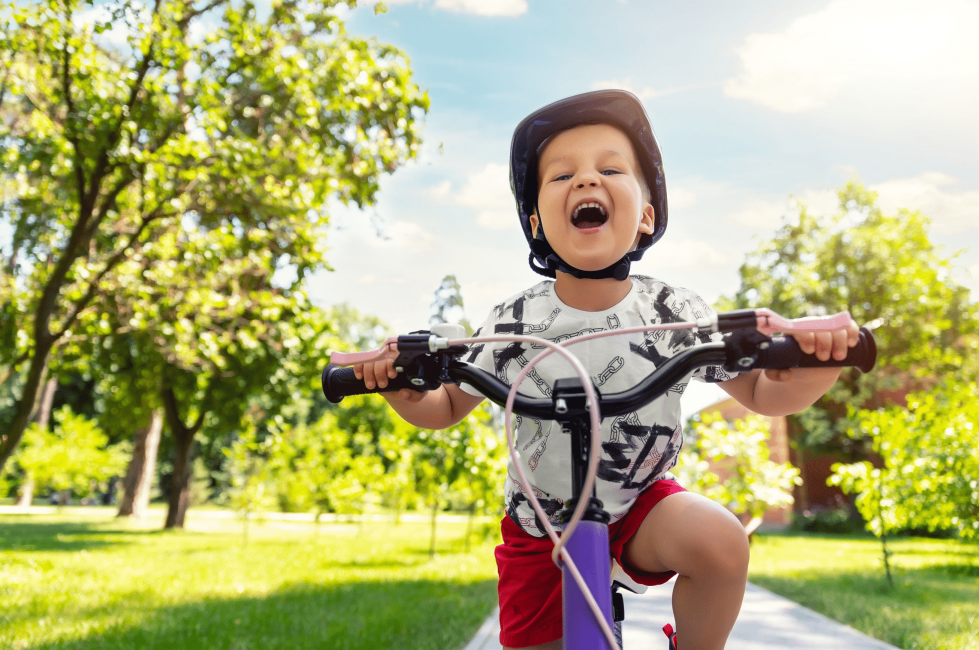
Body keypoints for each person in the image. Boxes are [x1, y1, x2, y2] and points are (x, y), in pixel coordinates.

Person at [353, 89, 859, 650]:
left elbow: (765, 394)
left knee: (720, 541)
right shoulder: (514, 320)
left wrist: (820, 361)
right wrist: (401, 389)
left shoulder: (672, 313)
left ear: (645, 215)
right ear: (537, 222)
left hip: (643, 503)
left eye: (610, 168)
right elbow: (446, 404)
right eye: (561, 175)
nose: (586, 181)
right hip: (541, 524)